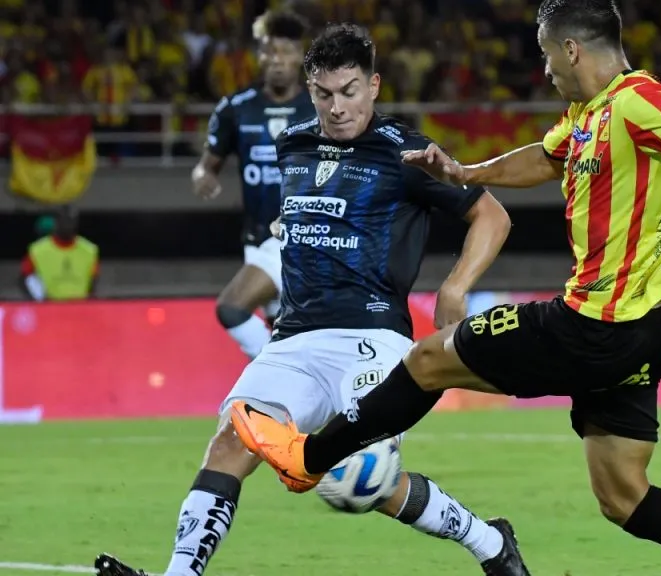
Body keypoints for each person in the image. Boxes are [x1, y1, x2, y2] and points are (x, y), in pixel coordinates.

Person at [231, 1, 661, 575]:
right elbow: (544, 158)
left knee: (428, 360)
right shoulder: (588, 114)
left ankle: (308, 458)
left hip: (592, 325)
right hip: (644, 331)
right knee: (624, 497)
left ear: (571, 49)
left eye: (546, 55)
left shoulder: (639, 101)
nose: (544, 69)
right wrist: (466, 173)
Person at [95, 23, 529, 576]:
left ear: (374, 85)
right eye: (324, 94)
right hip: (295, 336)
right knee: (230, 442)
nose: (338, 107)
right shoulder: (293, 144)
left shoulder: (408, 152)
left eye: (350, 91)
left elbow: (492, 215)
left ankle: (488, 543)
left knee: (362, 477)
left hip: (373, 338)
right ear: (310, 89)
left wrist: (456, 286)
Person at [192, 10, 316, 360]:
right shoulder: (235, 108)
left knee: (235, 309)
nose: (276, 59)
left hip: (302, 236)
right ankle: (287, 377)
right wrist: (203, 177)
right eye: (268, 51)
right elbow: (207, 165)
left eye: (285, 51)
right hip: (257, 238)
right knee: (282, 330)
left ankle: (274, 370)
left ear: (300, 56)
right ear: (258, 56)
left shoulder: (320, 107)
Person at [21, 205, 98, 301]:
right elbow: (26, 277)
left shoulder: (89, 250)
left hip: (81, 306)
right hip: (49, 306)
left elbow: (94, 280)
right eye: (64, 220)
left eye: (71, 221)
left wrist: (90, 302)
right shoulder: (37, 250)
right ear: (56, 222)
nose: (67, 225)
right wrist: (40, 299)